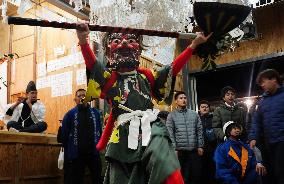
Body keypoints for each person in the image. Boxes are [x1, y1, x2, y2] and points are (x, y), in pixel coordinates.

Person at [76, 22, 211, 184]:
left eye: (130, 40)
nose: (124, 43)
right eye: (117, 41)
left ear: (138, 49)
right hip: (124, 133)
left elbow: (172, 69)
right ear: (108, 51)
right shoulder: (110, 79)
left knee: (164, 160)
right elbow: (92, 64)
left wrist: (193, 45)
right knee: (125, 177)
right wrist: (83, 41)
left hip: (151, 126)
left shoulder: (147, 77)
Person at [248, 69, 284, 184]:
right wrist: (253, 137)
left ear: (274, 79)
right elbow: (256, 121)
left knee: (281, 172)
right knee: (272, 172)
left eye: (264, 81)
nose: (262, 85)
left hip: (282, 141)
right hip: (269, 143)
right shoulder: (262, 101)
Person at [60, 89, 102, 184]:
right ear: (75, 99)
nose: (82, 97)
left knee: (97, 178)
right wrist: (70, 151)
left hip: (93, 153)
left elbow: (99, 130)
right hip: (77, 154)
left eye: (84, 95)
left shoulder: (96, 113)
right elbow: (64, 136)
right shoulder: (70, 114)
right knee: (75, 180)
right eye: (79, 96)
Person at [166, 91, 204, 184]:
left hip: (194, 150)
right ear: (176, 101)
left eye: (185, 98)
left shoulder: (194, 114)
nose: (183, 100)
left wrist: (200, 146)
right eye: (181, 98)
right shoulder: (171, 115)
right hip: (180, 152)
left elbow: (199, 131)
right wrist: (174, 148)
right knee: (183, 176)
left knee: (196, 175)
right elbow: (170, 133)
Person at [198, 100, 217, 184]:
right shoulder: (196, 119)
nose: (205, 108)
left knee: (213, 168)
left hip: (213, 148)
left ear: (209, 108)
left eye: (206, 107)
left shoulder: (214, 118)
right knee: (202, 169)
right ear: (199, 109)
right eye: (202, 107)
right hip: (201, 148)